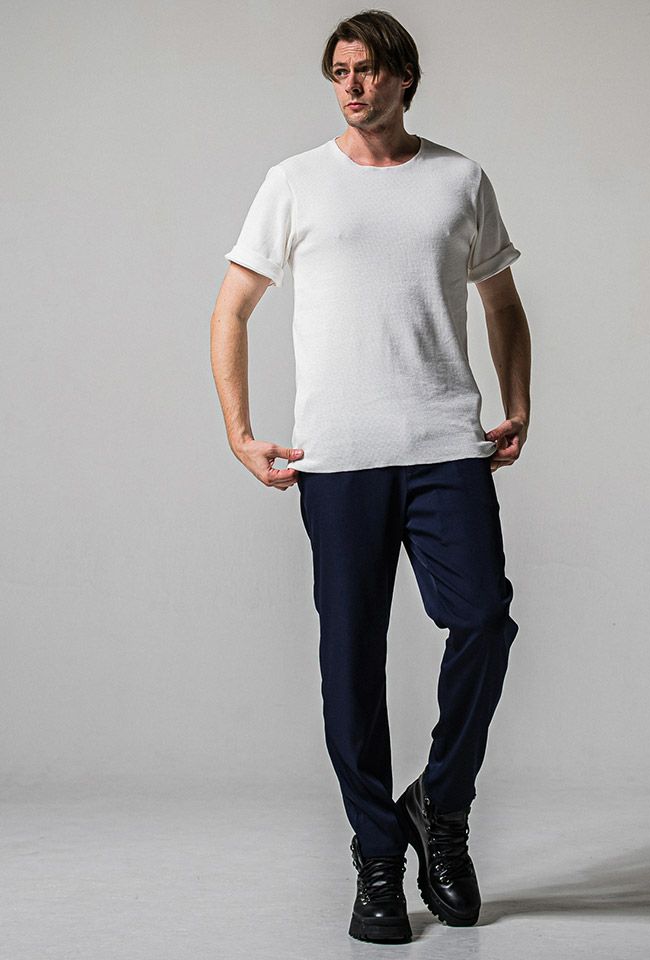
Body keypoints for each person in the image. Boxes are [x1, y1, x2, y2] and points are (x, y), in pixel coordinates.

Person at [210, 8, 531, 946]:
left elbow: (504, 303)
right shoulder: (295, 182)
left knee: (484, 618)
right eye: (339, 71)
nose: (351, 86)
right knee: (351, 658)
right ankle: (378, 856)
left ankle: (441, 803)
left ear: (404, 78)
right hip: (339, 459)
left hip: (444, 444)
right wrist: (240, 433)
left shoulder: (459, 180)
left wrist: (520, 401)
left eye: (367, 70)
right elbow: (231, 310)